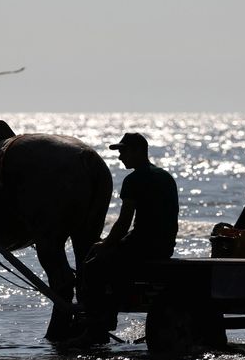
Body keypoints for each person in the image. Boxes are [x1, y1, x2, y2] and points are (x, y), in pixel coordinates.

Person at [73, 132, 179, 346]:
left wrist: (105, 244)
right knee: (109, 254)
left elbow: (124, 222)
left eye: (123, 152)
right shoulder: (165, 176)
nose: (120, 157)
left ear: (138, 151)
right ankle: (105, 315)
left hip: (143, 245)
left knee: (92, 267)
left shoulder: (133, 180)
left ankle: (96, 327)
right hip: (165, 245)